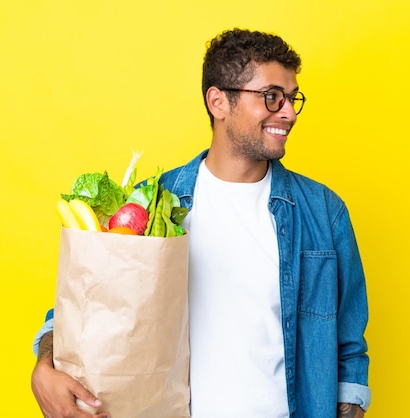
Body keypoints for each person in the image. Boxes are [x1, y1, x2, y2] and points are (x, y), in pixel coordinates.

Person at [31, 28, 370, 418]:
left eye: (293, 99)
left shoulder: (323, 213)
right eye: (272, 97)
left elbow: (348, 354)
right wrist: (44, 366)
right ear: (218, 101)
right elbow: (85, 311)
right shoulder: (153, 206)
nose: (289, 112)